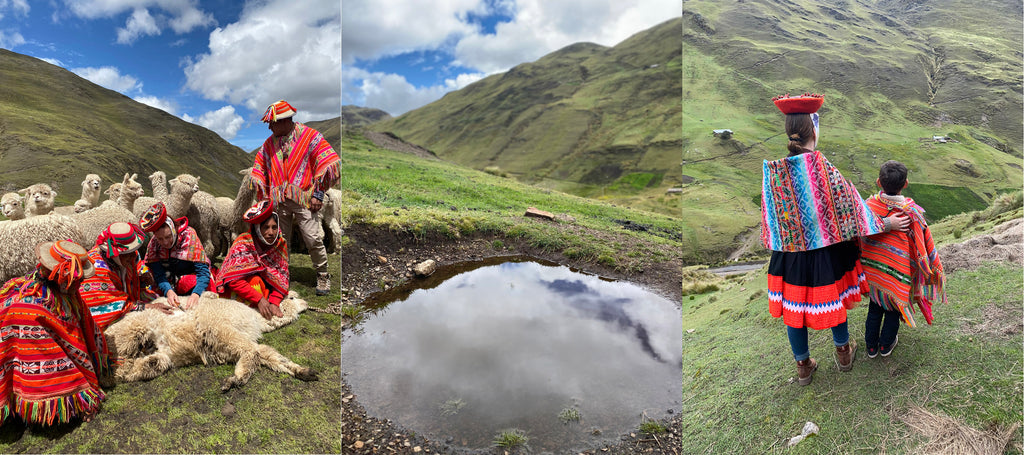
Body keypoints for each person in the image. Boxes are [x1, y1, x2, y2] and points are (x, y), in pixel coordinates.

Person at [761, 93, 909, 386]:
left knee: (794, 313)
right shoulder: (821, 167)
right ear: (813, 130)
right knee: (835, 300)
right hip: (826, 251)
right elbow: (851, 207)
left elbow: (770, 217)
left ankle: (803, 366)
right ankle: (843, 353)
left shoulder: (773, 171)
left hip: (789, 255)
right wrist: (886, 223)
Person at [0, 240, 110, 425]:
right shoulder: (29, 308)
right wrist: (82, 395)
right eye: (77, 280)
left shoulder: (65, 294)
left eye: (81, 279)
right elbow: (48, 355)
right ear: (58, 276)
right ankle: (67, 399)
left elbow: (77, 335)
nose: (81, 284)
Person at [252, 100, 339, 296]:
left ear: (285, 120)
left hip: (304, 197)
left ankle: (323, 275)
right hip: (279, 199)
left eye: (272, 122)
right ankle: (281, 273)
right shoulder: (269, 144)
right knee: (279, 239)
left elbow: (327, 161)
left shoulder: (310, 137)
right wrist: (259, 181)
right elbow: (260, 164)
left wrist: (318, 193)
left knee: (312, 237)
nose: (270, 126)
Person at [860, 160, 946, 358]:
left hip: (874, 274)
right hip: (899, 274)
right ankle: (886, 345)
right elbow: (922, 245)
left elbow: (860, 233)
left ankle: (871, 347)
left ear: (878, 182)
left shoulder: (868, 207)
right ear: (905, 184)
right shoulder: (912, 212)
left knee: (874, 309)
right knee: (893, 310)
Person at [79, 222, 173, 331]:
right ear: (115, 253)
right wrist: (145, 307)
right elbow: (103, 304)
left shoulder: (129, 256)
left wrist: (142, 279)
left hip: (130, 300)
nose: (133, 255)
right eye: (128, 252)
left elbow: (138, 268)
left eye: (134, 250)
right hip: (113, 310)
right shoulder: (96, 268)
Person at [215, 200, 290, 320]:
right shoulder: (243, 243)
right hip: (245, 284)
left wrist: (275, 301)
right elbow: (233, 280)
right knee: (255, 282)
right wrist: (259, 299)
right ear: (257, 229)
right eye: (266, 228)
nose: (271, 232)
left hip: (264, 286)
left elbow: (282, 278)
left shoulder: (279, 245)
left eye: (274, 227)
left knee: (258, 282)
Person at [139, 202, 212, 310]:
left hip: (188, 277)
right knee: (146, 281)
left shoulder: (189, 236)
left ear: (174, 230)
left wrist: (197, 293)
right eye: (160, 239)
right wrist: (168, 291)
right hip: (167, 279)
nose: (165, 242)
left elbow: (203, 272)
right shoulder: (154, 244)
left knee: (198, 294)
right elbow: (158, 273)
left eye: (168, 237)